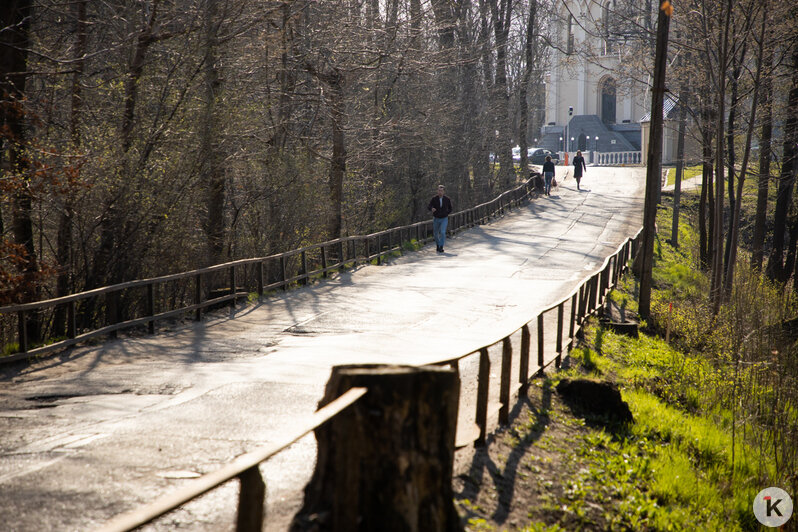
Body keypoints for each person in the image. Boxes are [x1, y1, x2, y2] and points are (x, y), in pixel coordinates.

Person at [428, 184, 453, 253]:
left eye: (441, 191)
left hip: (444, 218)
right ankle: (438, 245)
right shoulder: (434, 198)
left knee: (442, 232)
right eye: (439, 190)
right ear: (437, 191)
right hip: (436, 218)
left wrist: (446, 213)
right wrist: (431, 208)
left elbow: (450, 208)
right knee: (435, 233)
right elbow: (429, 206)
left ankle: (441, 246)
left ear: (444, 192)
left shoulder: (447, 199)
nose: (440, 192)